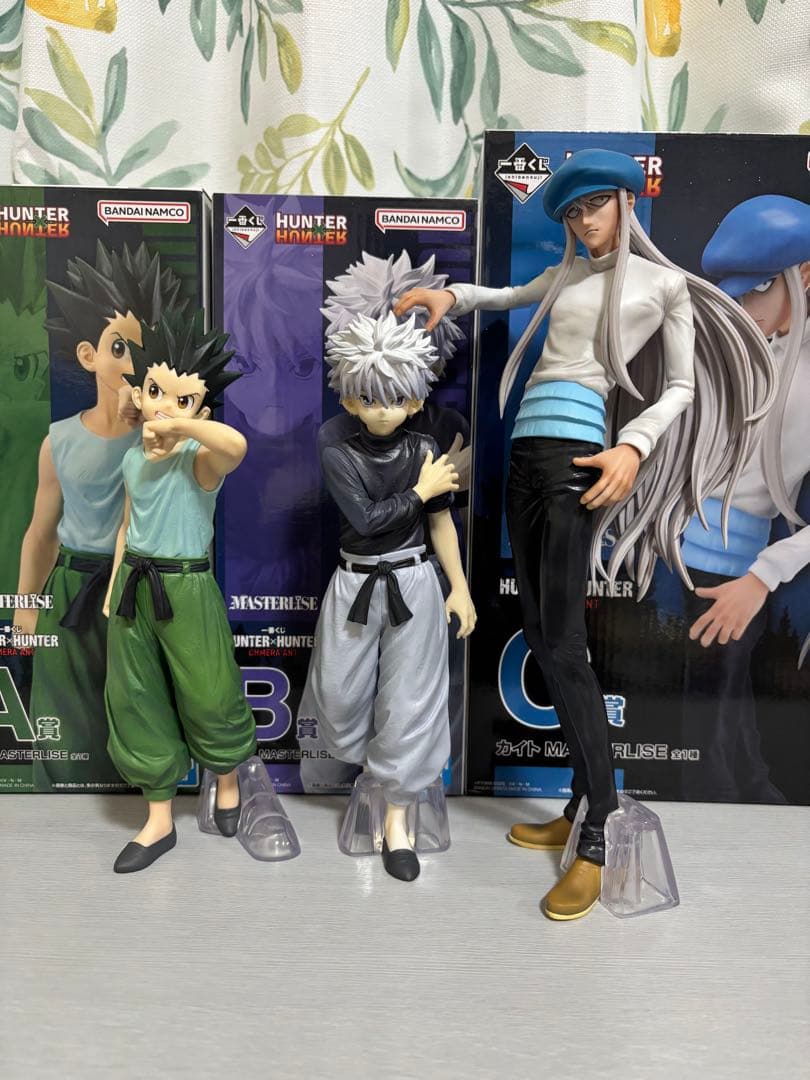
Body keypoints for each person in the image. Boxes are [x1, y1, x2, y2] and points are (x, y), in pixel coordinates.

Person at [395, 148, 775, 919]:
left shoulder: (662, 285)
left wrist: (633, 445)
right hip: (524, 454)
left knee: (564, 646)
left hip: (580, 460)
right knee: (542, 633)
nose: (584, 220)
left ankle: (600, 830)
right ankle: (578, 805)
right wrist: (450, 296)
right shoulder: (567, 276)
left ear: (626, 202)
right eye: (572, 211)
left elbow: (680, 386)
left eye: (594, 204)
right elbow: (506, 294)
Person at [300, 311, 476, 881]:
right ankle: (376, 770)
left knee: (411, 700)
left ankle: (398, 818)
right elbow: (367, 519)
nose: (382, 409)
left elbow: (440, 522)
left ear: (415, 398)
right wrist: (422, 490)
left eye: (396, 398)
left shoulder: (425, 446)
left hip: (414, 581)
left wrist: (460, 587)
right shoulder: (335, 444)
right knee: (336, 696)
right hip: (355, 582)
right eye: (370, 398)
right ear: (350, 398)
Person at [14, 242, 185, 790]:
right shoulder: (59, 440)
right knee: (63, 714)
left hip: (139, 583)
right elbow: (41, 530)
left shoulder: (166, 438)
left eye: (145, 349)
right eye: (119, 347)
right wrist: (25, 605)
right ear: (88, 355)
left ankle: (148, 792)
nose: (133, 363)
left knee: (140, 703)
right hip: (70, 588)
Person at [102, 310, 258, 873]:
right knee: (135, 695)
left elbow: (236, 446)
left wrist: (181, 427)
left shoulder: (201, 460)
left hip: (187, 585)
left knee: (210, 691)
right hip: (134, 583)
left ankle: (228, 779)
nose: (163, 405)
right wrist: (114, 587)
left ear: (201, 412)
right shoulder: (130, 459)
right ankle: (159, 818)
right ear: (138, 393)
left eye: (182, 399)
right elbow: (126, 526)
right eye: (154, 391)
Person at [679, 194, 810, 801]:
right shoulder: (736, 349)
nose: (740, 309)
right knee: (716, 699)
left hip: (743, 562)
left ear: (804, 276)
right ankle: (746, 788)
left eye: (756, 290)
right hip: (678, 546)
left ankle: (738, 797)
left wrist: (762, 576)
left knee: (717, 699)